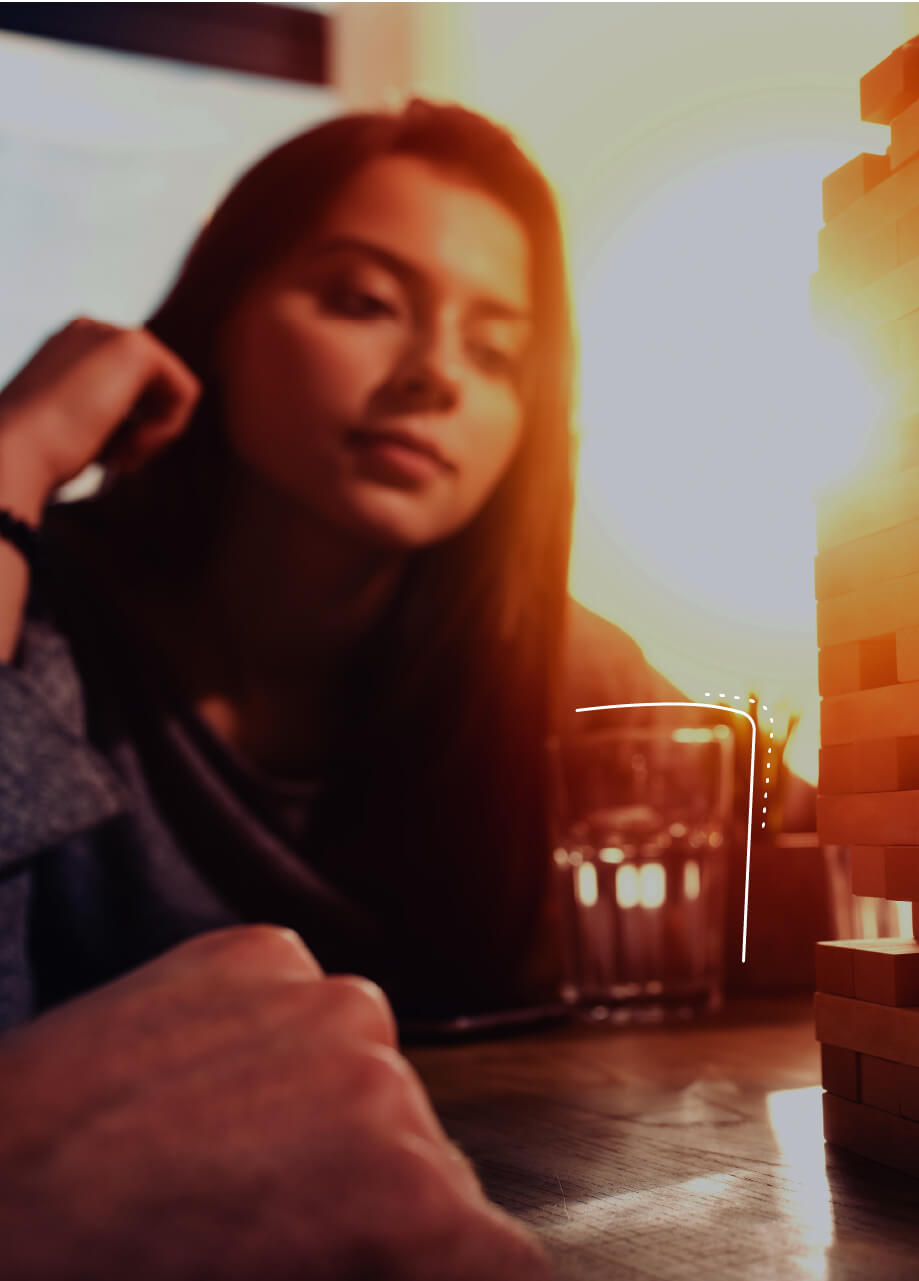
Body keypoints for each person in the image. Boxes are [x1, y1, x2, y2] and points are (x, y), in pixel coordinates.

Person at [0, 99, 683, 1277]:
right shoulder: (42, 626)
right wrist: (17, 447)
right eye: (366, 302)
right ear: (216, 320)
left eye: (495, 352)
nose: (432, 379)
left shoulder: (559, 669)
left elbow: (807, 862)